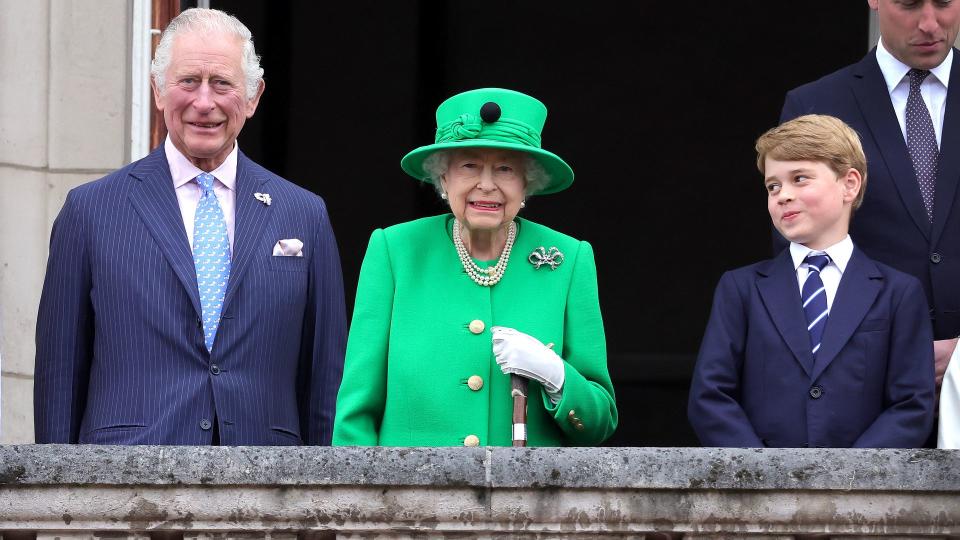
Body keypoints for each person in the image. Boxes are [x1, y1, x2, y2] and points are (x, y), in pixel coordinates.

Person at [33, 8, 346, 445]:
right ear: (158, 90)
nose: (204, 102)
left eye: (222, 83)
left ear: (253, 96)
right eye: (188, 81)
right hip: (124, 482)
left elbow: (324, 377)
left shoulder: (303, 214)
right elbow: (59, 375)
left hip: (266, 487)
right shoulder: (90, 210)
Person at [332, 88, 617, 447]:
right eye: (469, 165)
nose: (487, 184)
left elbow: (599, 422)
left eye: (505, 168)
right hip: (411, 497)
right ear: (443, 178)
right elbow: (356, 414)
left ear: (528, 181)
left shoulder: (569, 259)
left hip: (528, 498)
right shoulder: (395, 251)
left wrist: (558, 378)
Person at [688, 114, 934, 448]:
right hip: (762, 490)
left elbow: (911, 404)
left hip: (860, 492)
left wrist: (849, 477)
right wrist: (762, 474)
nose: (783, 195)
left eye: (800, 178)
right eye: (772, 186)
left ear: (849, 184)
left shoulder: (899, 293)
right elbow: (710, 396)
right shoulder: (741, 288)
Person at [779, 0, 960, 404]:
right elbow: (802, 262)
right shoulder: (816, 104)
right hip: (864, 390)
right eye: (910, 4)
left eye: (945, 3)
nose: (931, 23)